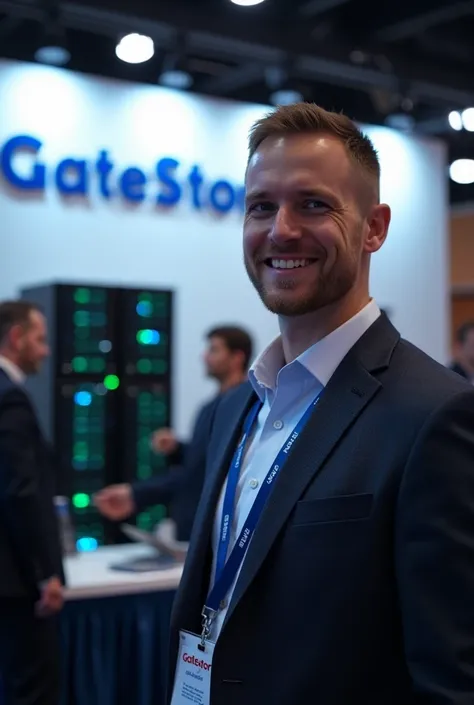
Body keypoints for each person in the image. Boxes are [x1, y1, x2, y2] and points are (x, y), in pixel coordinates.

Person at [167, 103, 474, 705]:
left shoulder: (437, 417)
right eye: (261, 206)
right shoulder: (239, 408)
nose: (280, 229)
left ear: (374, 228)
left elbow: (453, 680)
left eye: (313, 204)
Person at [94, 326, 253, 541]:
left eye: (214, 350)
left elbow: (204, 472)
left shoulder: (245, 405)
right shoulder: (211, 407)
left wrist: (137, 494)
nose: (204, 356)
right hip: (194, 529)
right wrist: (177, 448)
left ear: (237, 357)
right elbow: (202, 461)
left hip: (218, 533)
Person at [0, 300, 64, 705]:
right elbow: (20, 492)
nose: (46, 350)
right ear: (16, 336)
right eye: (39, 339)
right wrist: (46, 575)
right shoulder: (11, 398)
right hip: (17, 582)